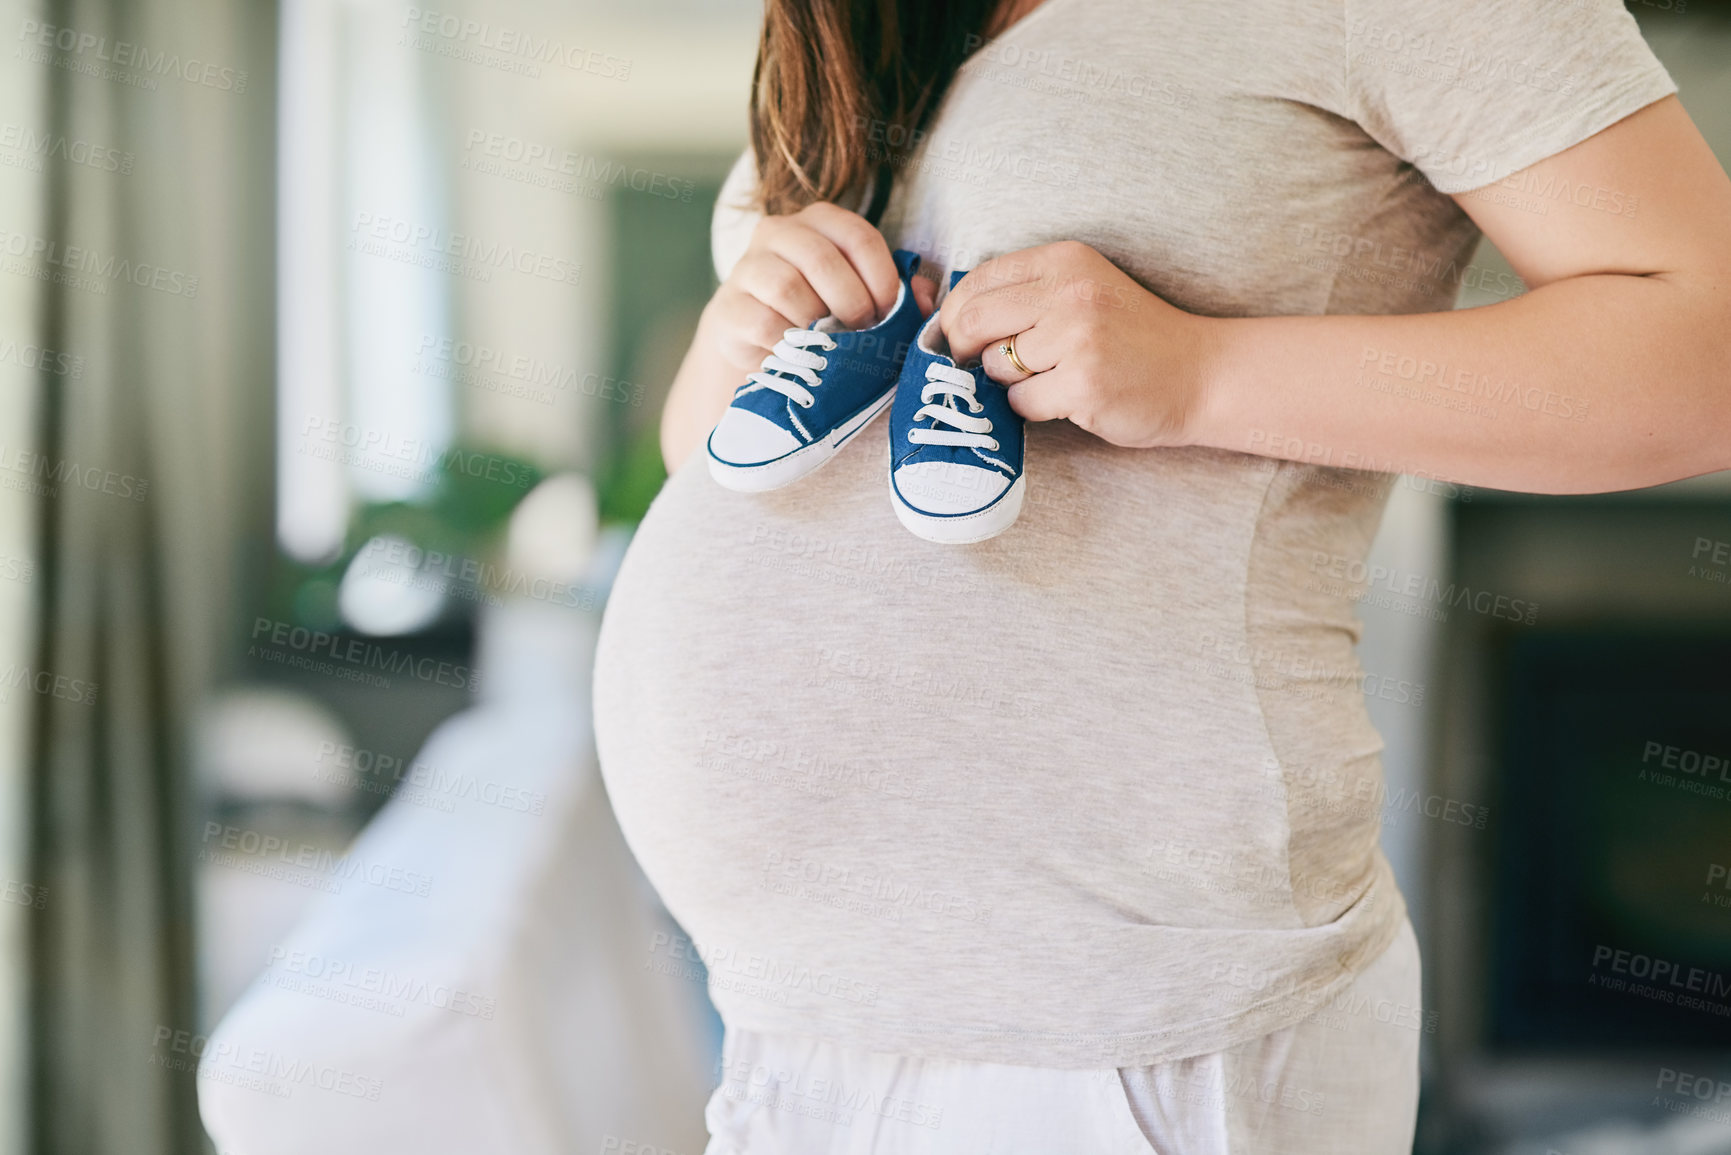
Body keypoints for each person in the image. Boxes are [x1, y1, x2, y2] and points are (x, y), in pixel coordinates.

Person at [594, 0, 1731, 1149]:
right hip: (792, 1020)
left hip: (1131, 1021)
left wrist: (1198, 370)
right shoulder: (850, 23)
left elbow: (1709, 354)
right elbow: (733, 485)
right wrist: (733, 344)